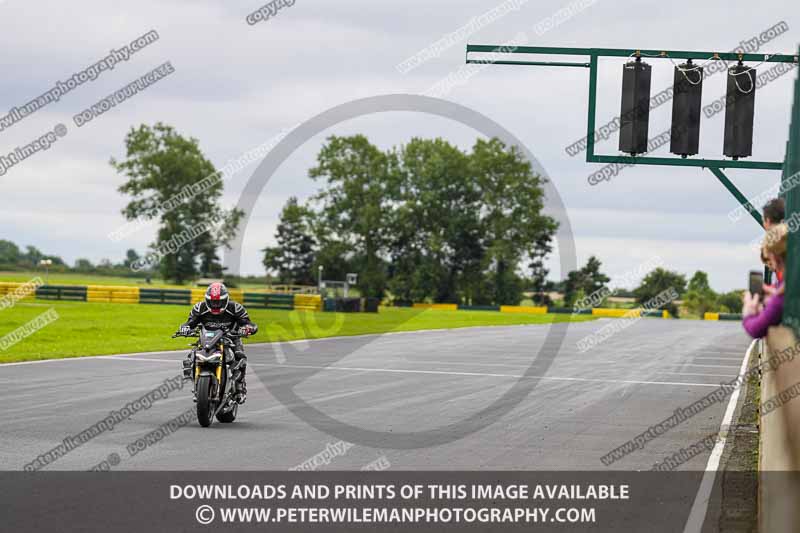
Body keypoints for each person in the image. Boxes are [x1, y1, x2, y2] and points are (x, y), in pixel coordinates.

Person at [179, 282, 258, 403]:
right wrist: (184, 328)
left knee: (240, 356)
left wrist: (247, 328)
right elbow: (189, 323)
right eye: (212, 302)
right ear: (207, 300)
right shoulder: (200, 308)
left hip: (231, 338)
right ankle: (196, 383)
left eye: (219, 302)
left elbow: (249, 323)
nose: (215, 305)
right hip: (206, 339)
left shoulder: (235, 308)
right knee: (191, 356)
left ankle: (239, 387)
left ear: (225, 299)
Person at [742, 223, 787, 339]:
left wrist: (748, 313)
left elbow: (756, 329)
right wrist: (773, 294)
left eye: (770, 261)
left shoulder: (785, 292)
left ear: (775, 257)